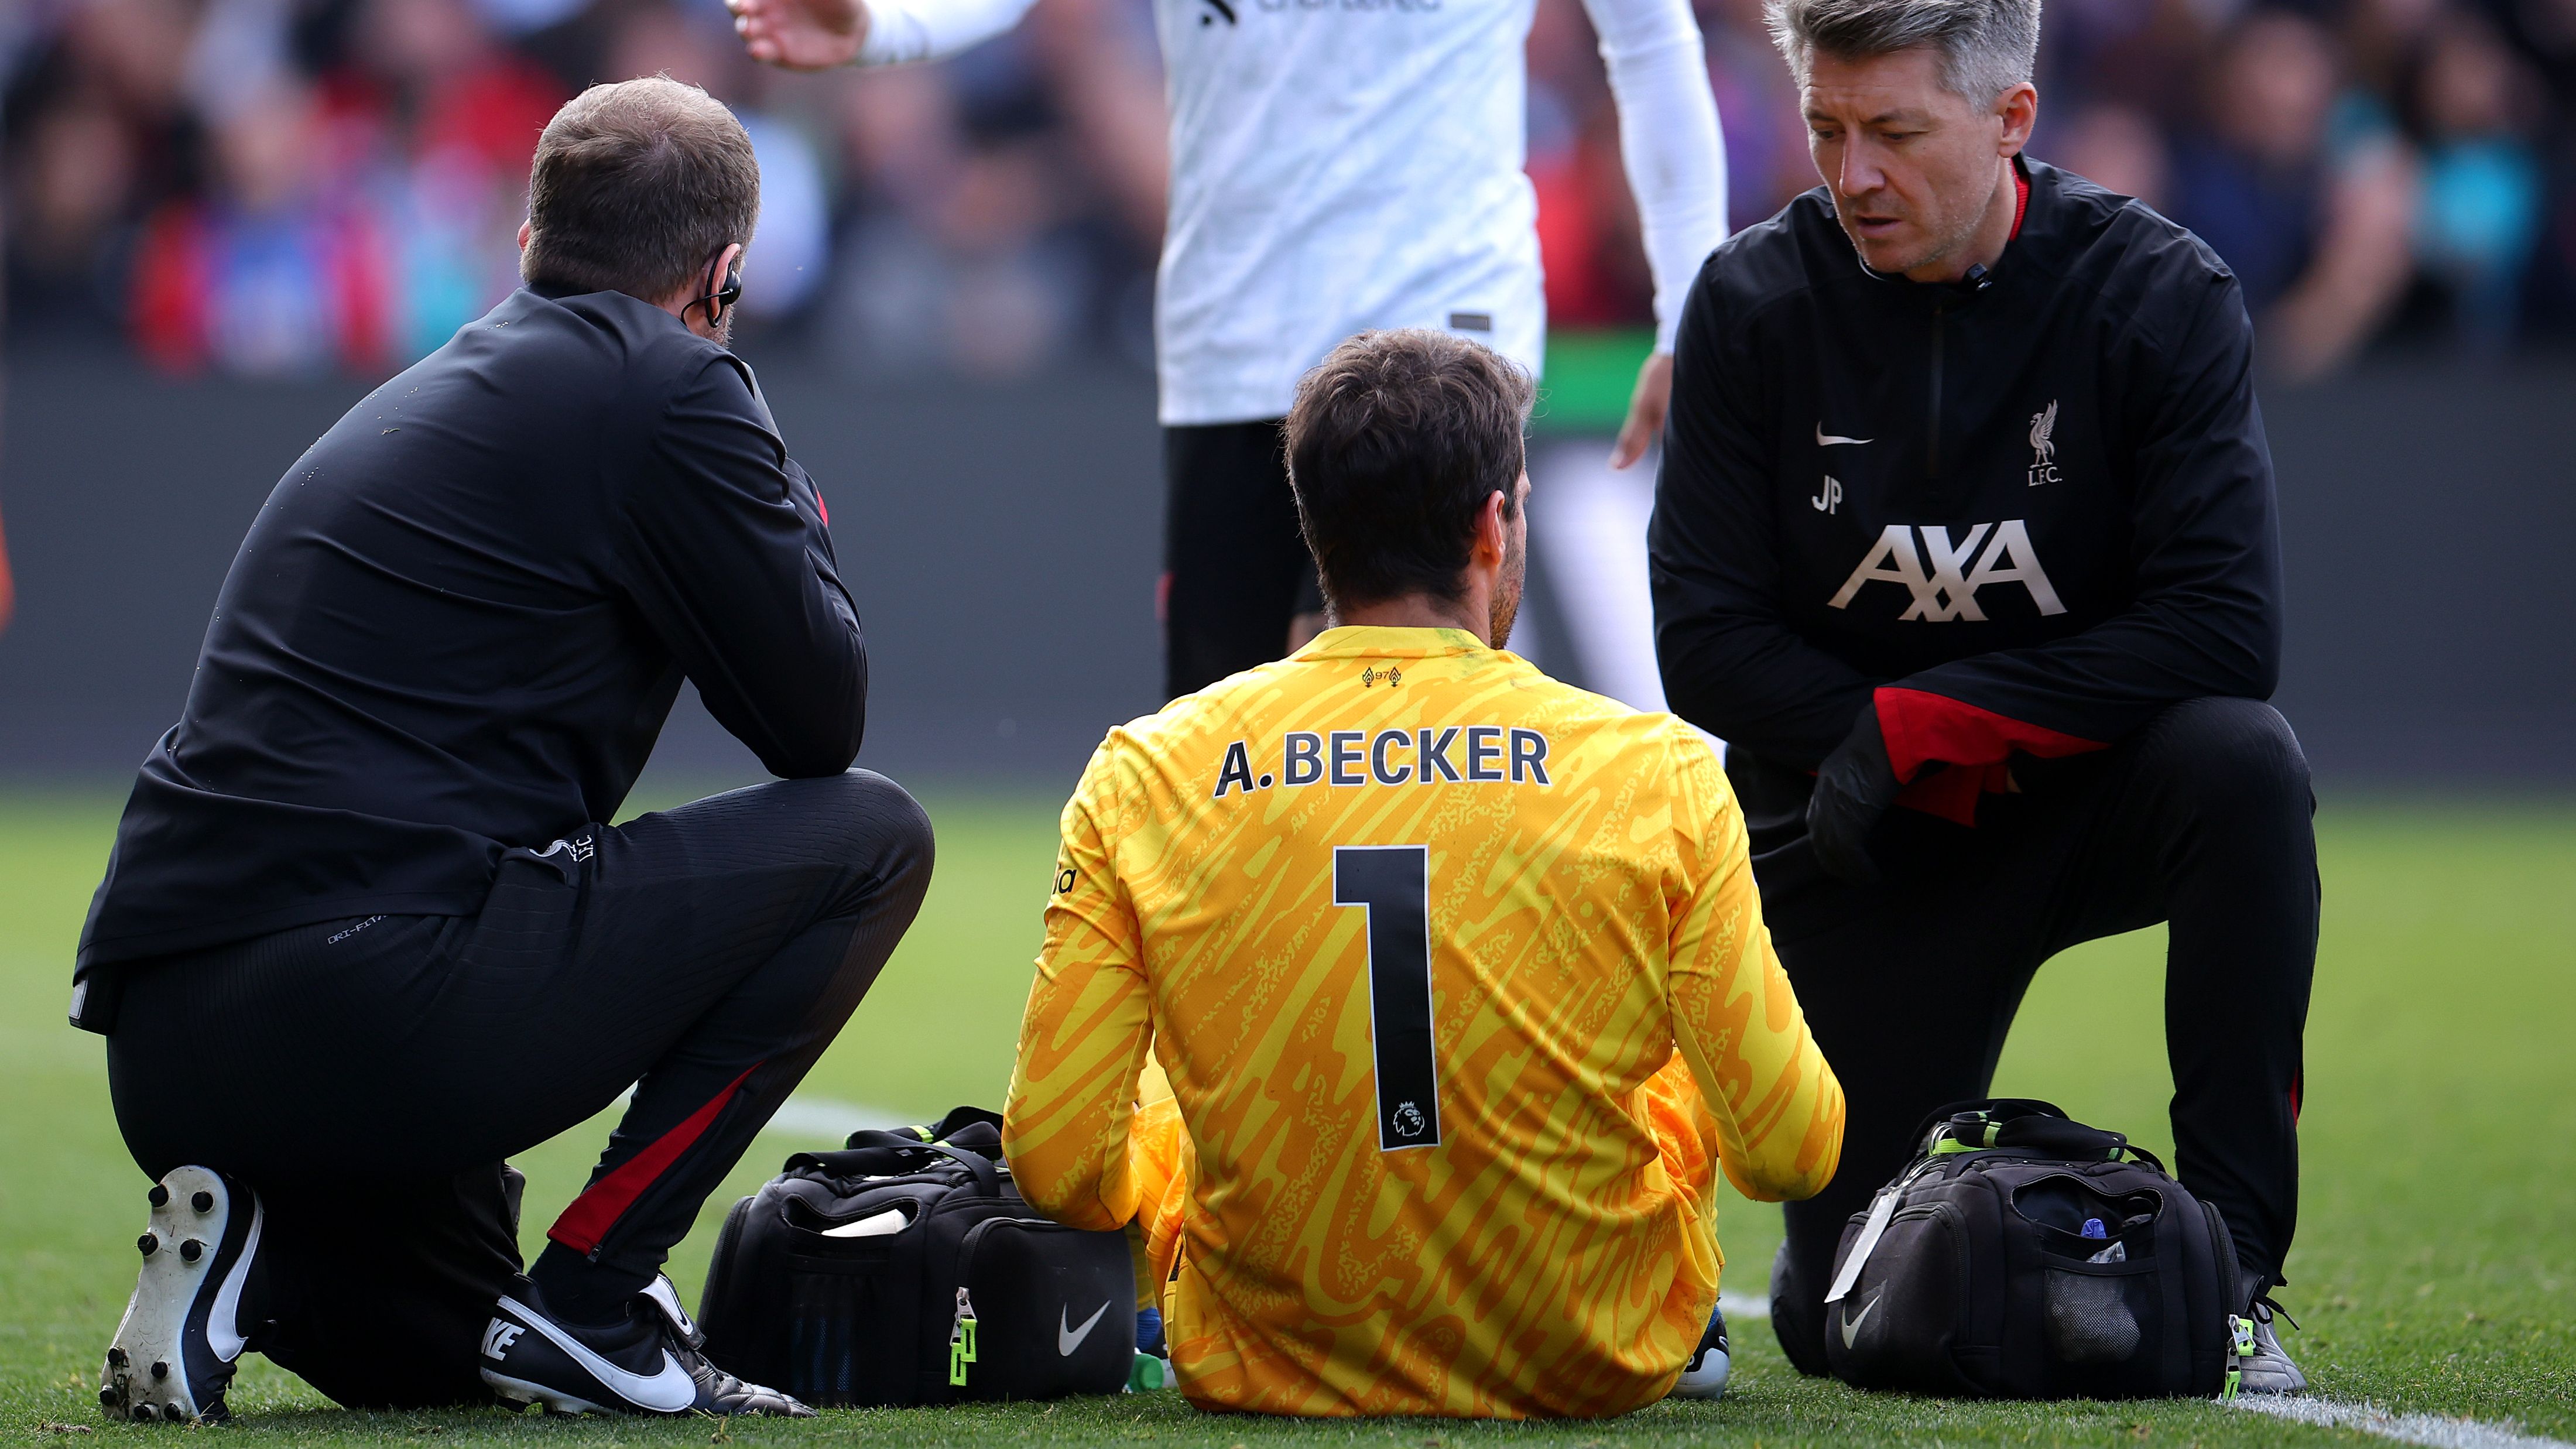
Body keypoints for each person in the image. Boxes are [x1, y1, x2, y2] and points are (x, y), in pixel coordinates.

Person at [76, 76, 932, 1423]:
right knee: (870, 838)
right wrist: (767, 451)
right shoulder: (675, 384)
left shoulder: (435, 387)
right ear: (724, 274)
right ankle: (599, 1289)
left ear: (530, 242)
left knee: (462, 1356)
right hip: (373, 997)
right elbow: (819, 721)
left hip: (170, 1044)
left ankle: (250, 1249)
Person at [1649, 0, 2317, 1392]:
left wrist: (1927, 726)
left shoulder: (2158, 294)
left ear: (2012, 119)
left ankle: (2234, 1277)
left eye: (1894, 132)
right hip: (1856, 835)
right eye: (1827, 129)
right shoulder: (1751, 304)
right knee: (1851, 1321)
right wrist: (1885, 749)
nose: (1854, 175)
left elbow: (2224, 626)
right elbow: (1704, 645)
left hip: (2077, 800)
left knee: (2243, 763)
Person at [999, 328, 1846, 1419]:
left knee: (1163, 1084)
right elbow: (1791, 1152)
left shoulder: (1148, 770)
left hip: (1267, 1358)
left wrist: (1174, 1203)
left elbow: (1058, 1160)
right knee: (1672, 1050)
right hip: (1591, 1352)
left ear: (1317, 530)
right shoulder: (1656, 771)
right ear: (1493, 525)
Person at [726, 0, 1732, 700]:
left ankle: (1459, 949)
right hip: (1234, 344)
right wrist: (879, 28)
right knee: (1229, 747)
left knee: (1392, 699)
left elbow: (1652, 41)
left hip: (1437, 325)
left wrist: (1691, 310)